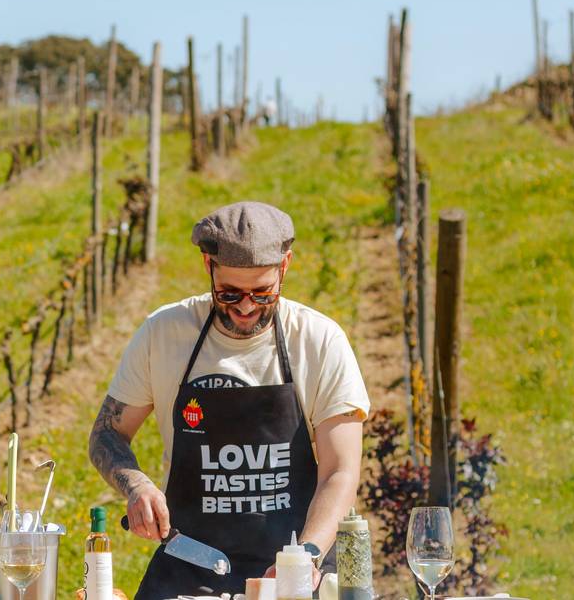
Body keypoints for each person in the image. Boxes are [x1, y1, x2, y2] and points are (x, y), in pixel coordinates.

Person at [88, 201, 368, 597]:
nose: (247, 307)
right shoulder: (163, 335)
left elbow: (340, 471)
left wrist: (304, 556)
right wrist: (137, 486)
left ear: (285, 266)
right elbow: (106, 434)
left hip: (298, 569)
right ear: (208, 265)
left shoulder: (319, 341)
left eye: (263, 293)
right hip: (190, 569)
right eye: (230, 293)